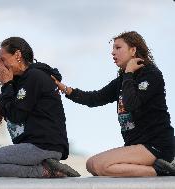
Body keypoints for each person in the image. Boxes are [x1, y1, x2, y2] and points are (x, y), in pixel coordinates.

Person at [52, 31, 175, 177]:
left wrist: (129, 72)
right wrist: (65, 89)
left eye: (118, 48)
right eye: (113, 49)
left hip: (157, 145)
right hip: (136, 145)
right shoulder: (123, 80)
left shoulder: (151, 74)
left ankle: (162, 170)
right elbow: (94, 98)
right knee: (91, 165)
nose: (113, 52)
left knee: (101, 166)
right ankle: (158, 169)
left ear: (133, 50)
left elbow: (131, 104)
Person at [0, 37, 80, 178]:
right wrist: (8, 85)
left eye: (3, 59)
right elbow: (7, 111)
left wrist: (7, 85)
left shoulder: (34, 77)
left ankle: (45, 171)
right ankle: (46, 167)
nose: (1, 65)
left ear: (17, 55)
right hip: (35, 146)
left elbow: (16, 116)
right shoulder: (19, 81)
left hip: (43, 146)